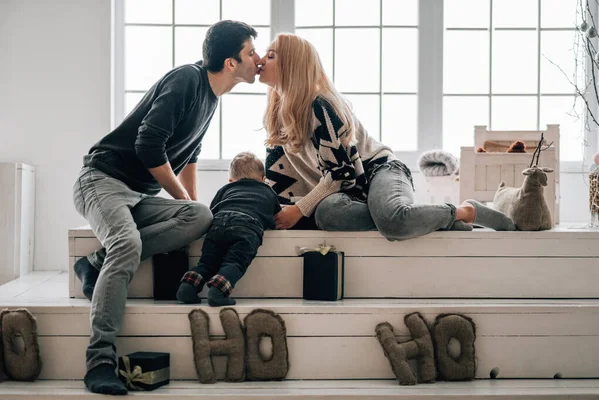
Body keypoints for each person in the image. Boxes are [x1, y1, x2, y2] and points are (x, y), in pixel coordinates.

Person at [72, 20, 262, 395]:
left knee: (202, 215)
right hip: (101, 180)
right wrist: (179, 198)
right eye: (251, 53)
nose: (257, 60)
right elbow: (148, 146)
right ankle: (100, 361)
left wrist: (189, 205)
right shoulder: (187, 80)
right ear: (230, 62)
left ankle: (93, 264)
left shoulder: (211, 98)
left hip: (139, 195)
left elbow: (189, 154)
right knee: (125, 245)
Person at [258, 33, 515, 237]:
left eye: (270, 55)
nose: (260, 61)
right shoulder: (276, 115)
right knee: (327, 213)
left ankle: (464, 211)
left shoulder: (320, 104)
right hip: (350, 193)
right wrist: (273, 212)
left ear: (291, 65)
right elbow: (279, 179)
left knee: (392, 222)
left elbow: (342, 173)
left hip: (380, 170)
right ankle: (429, 221)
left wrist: (300, 209)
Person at [176, 152, 281, 306]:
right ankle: (218, 291)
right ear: (263, 179)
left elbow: (211, 212)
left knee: (207, 263)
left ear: (231, 180)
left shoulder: (225, 190)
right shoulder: (268, 192)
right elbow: (277, 217)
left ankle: (188, 286)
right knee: (235, 262)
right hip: (247, 226)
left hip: (219, 224)